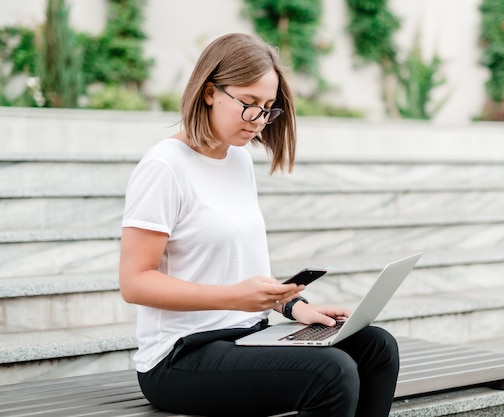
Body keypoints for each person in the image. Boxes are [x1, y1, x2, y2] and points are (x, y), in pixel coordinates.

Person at [118, 33, 399, 417]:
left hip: (247, 337)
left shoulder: (237, 161)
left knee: (376, 347)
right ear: (209, 92)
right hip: (181, 356)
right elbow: (135, 282)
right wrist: (234, 298)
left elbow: (244, 270)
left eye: (268, 108)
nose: (259, 121)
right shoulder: (164, 167)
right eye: (249, 104)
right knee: (332, 374)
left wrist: (293, 306)